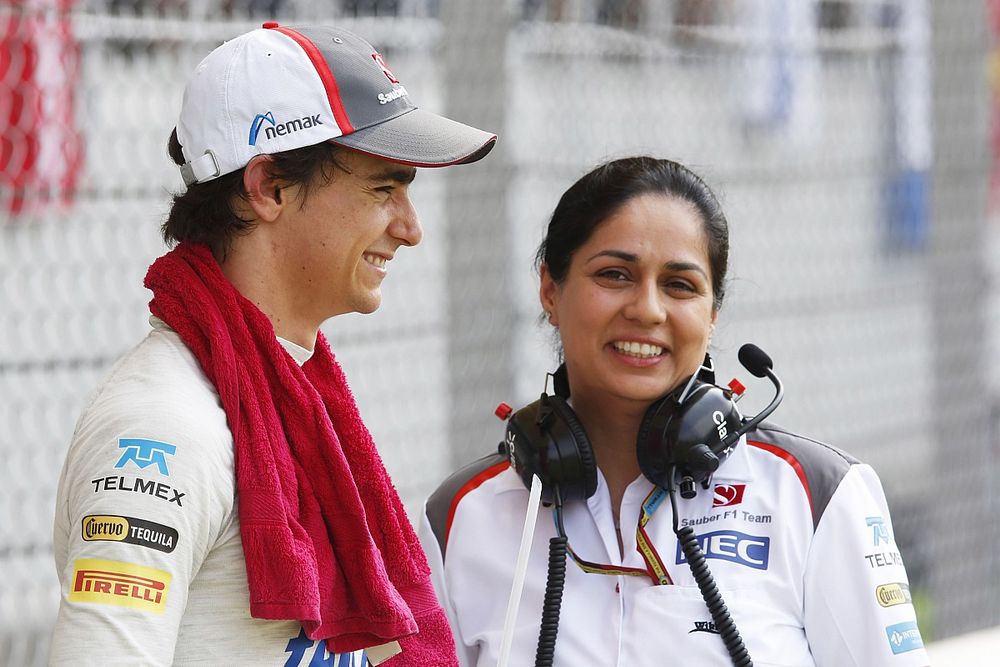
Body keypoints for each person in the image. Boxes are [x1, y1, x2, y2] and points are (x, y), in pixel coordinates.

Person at [49, 22, 495, 667]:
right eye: (382, 188)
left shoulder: (292, 395)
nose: (410, 229)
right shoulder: (163, 432)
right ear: (269, 189)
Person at [419, 157, 929, 666]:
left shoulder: (817, 494)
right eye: (615, 275)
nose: (647, 309)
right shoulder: (460, 516)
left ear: (712, 315)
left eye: (679, 285)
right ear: (550, 289)